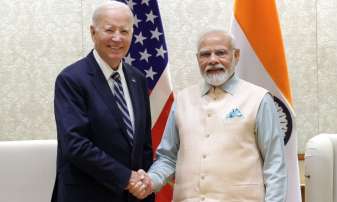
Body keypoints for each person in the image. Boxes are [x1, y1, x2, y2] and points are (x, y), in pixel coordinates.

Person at [128, 30, 287, 202]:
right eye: (205, 54)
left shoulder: (259, 99)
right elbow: (168, 157)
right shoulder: (182, 100)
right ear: (198, 59)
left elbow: (275, 164)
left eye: (220, 53)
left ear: (236, 55)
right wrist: (151, 181)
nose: (212, 60)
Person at [51, 2, 154, 202]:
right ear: (93, 32)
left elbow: (144, 144)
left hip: (134, 196)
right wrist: (126, 178)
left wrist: (143, 182)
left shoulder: (138, 79)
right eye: (109, 30)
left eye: (124, 31)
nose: (117, 38)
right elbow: (75, 144)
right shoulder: (71, 79)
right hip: (87, 194)